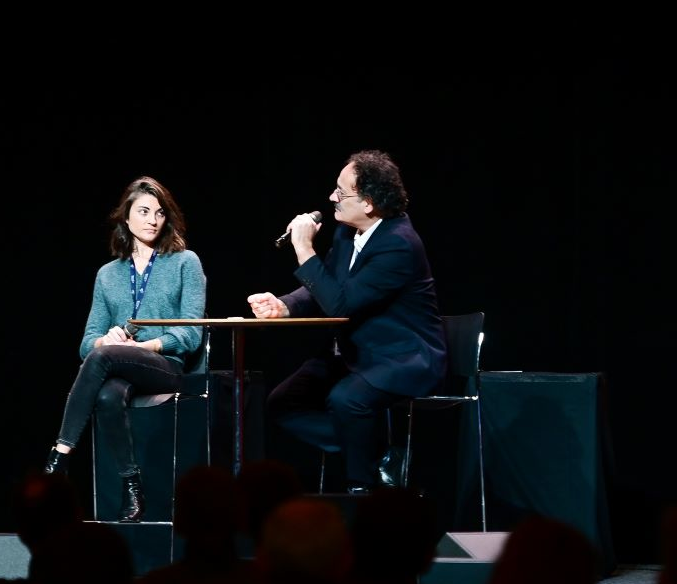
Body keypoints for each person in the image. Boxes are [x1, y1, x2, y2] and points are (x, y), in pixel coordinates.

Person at [247, 150, 445, 493]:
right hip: (356, 356)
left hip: (402, 356)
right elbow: (326, 288)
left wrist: (303, 248)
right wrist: (284, 305)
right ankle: (377, 452)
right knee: (282, 402)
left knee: (346, 400)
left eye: (341, 191)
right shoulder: (345, 234)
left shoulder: (398, 245)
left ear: (368, 203)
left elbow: (341, 303)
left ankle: (361, 487)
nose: (331, 197)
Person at [41, 177, 206, 523]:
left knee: (105, 359)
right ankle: (133, 486)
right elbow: (88, 343)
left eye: (160, 213)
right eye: (144, 211)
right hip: (120, 366)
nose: (152, 220)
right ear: (126, 218)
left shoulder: (185, 263)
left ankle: (60, 457)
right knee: (105, 396)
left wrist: (141, 346)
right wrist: (107, 340)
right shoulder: (108, 275)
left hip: (166, 366)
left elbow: (191, 333)